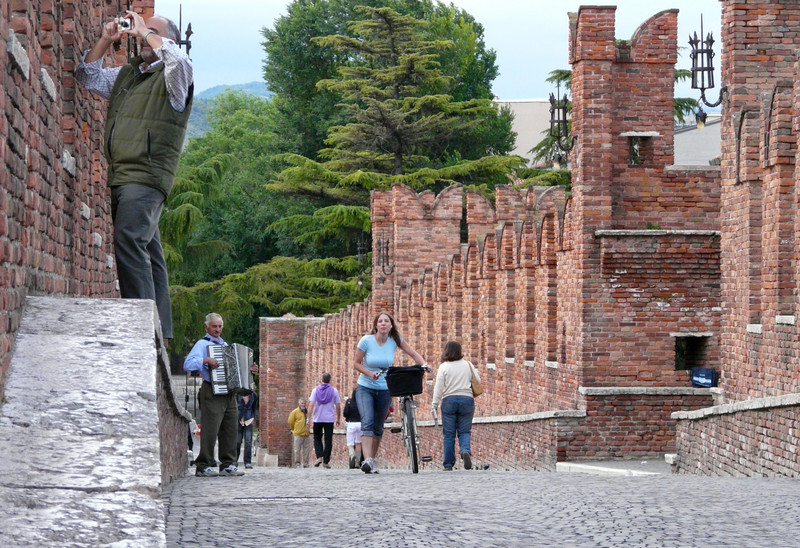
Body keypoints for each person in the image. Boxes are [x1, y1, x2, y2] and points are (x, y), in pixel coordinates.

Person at [75, 10, 194, 341]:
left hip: (147, 177)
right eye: (139, 29)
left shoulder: (174, 78)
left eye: (152, 31)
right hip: (123, 175)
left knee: (128, 239)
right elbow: (87, 76)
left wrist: (145, 32)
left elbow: (179, 62)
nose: (140, 34)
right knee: (148, 252)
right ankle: (161, 329)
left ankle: (138, 327)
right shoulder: (128, 75)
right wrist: (105, 39)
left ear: (168, 40)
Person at [353, 311, 427, 474]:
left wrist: (424, 364)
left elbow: (413, 353)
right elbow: (356, 364)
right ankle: (367, 460)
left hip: (385, 388)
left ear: (391, 325)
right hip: (365, 386)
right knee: (367, 421)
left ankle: (371, 460)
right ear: (376, 325)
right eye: (380, 321)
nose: (383, 323)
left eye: (386, 321)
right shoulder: (366, 341)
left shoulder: (394, 340)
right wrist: (369, 373)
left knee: (378, 426)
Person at [183, 313, 244, 477]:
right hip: (211, 390)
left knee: (230, 429)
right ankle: (203, 465)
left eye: (219, 326)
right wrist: (205, 361)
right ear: (207, 327)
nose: (217, 329)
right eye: (214, 326)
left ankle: (227, 464)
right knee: (210, 429)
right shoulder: (202, 345)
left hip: (229, 392)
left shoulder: (225, 345)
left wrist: (249, 371)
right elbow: (187, 364)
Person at [431, 341, 478, 471]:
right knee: (464, 431)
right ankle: (465, 451)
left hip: (449, 401)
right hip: (467, 399)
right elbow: (478, 381)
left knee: (449, 434)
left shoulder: (444, 367)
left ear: (446, 351)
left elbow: (439, 387)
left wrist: (434, 404)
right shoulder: (468, 365)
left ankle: (448, 464)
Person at [307, 373, 342, 469]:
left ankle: (319, 456)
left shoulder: (315, 390)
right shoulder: (334, 391)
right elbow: (338, 406)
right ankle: (326, 461)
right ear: (330, 380)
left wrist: (308, 418)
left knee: (317, 438)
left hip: (317, 418)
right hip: (329, 419)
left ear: (321, 380)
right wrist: (338, 418)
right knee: (328, 440)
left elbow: (311, 405)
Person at [236, 391, 258, 469]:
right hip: (239, 419)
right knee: (237, 441)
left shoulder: (254, 395)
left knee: (248, 442)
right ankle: (234, 461)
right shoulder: (238, 395)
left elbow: (254, 407)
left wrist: (253, 417)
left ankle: (247, 462)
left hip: (249, 420)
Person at [287, 398, 311, 468]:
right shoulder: (295, 412)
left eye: (304, 403)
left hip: (306, 433)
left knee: (306, 450)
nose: (303, 405)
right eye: (302, 403)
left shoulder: (307, 412)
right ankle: (297, 463)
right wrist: (294, 429)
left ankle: (306, 463)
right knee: (297, 449)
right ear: (299, 404)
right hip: (298, 433)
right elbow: (290, 421)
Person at [342, 388, 363, 469]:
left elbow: (345, 413)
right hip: (360, 424)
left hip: (351, 424)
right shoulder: (362, 402)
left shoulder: (349, 401)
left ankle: (352, 455)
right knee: (358, 443)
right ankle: (357, 462)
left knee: (350, 444)